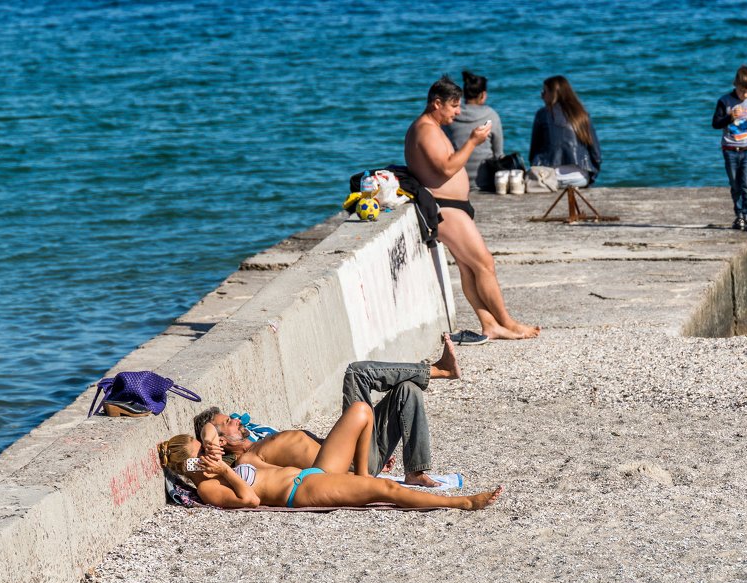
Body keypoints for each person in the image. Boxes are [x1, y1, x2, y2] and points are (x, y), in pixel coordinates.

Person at [197, 335, 463, 488]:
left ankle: (415, 472)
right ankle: (439, 370)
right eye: (227, 422)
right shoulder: (247, 463)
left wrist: (372, 457)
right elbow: (289, 479)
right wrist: (210, 442)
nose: (235, 419)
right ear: (219, 441)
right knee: (357, 373)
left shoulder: (259, 437)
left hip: (356, 455)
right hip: (345, 466)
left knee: (407, 390)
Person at [159, 402, 502, 511]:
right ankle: (462, 503)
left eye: (205, 449)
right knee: (386, 493)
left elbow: (211, 435)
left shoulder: (239, 459)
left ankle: (367, 473)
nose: (206, 455)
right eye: (197, 458)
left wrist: (212, 447)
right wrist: (220, 471)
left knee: (361, 410)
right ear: (188, 468)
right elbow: (249, 500)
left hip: (314, 474)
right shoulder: (209, 488)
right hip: (302, 492)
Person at [405, 75, 539, 343]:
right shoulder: (425, 129)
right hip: (444, 208)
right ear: (436, 103)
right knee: (485, 263)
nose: (458, 111)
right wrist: (472, 142)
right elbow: (446, 168)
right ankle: (508, 323)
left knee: (469, 268)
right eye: (453, 106)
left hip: (453, 206)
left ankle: (490, 324)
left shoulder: (432, 127)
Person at [711, 65, 747, 232]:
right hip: (730, 149)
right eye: (742, 91)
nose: (746, 95)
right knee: (735, 185)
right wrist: (729, 117)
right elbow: (715, 124)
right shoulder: (724, 101)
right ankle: (739, 216)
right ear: (735, 84)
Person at [529, 75, 602, 187]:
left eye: (544, 91)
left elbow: (534, 151)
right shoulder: (582, 114)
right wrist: (592, 175)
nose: (542, 96)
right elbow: (596, 153)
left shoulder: (542, 114)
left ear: (554, 93)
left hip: (550, 178)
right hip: (580, 178)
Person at [441, 71, 504, 192]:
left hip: (456, 181)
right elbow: (498, 154)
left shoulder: (450, 116)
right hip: (485, 183)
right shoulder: (491, 115)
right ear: (483, 95)